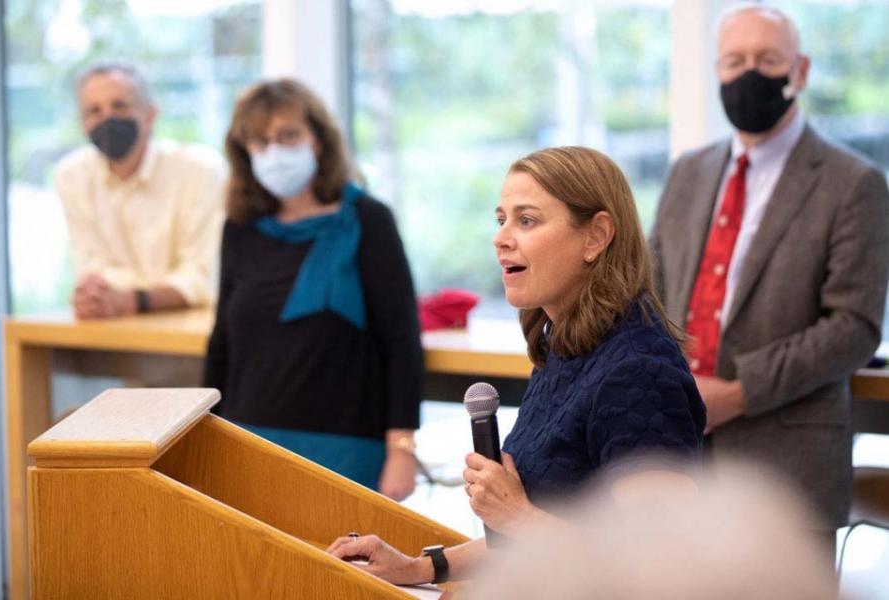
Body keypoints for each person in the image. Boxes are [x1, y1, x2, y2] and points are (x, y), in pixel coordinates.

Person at [327, 146, 706, 585]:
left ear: (596, 236)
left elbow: (660, 560)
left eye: (526, 221)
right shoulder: (567, 347)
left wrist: (517, 516)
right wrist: (421, 567)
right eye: (501, 220)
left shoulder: (638, 371)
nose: (502, 238)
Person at [649, 3, 889, 554]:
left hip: (788, 470)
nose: (749, 73)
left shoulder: (854, 183)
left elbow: (854, 326)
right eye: (734, 61)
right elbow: (649, 292)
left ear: (800, 71)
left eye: (767, 59)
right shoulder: (687, 172)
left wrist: (737, 394)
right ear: (717, 71)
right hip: (675, 458)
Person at [202, 78, 422, 501]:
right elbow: (222, 342)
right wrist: (205, 435)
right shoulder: (240, 227)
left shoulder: (368, 219)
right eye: (260, 141)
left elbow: (402, 341)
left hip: (346, 448)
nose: (274, 152)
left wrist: (402, 449)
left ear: (318, 141)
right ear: (245, 151)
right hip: (246, 440)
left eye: (288, 136)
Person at [465, 458, 837, 600]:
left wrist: (520, 518)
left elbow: (633, 558)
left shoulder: (635, 370)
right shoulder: (554, 359)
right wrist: (435, 565)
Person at [55, 63, 227, 318]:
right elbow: (92, 269)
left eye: (119, 106)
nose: (107, 118)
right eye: (94, 111)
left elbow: (204, 276)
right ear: (82, 123)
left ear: (150, 115)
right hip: (113, 329)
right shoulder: (72, 176)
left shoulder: (201, 171)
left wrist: (133, 299)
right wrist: (117, 296)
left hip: (192, 331)